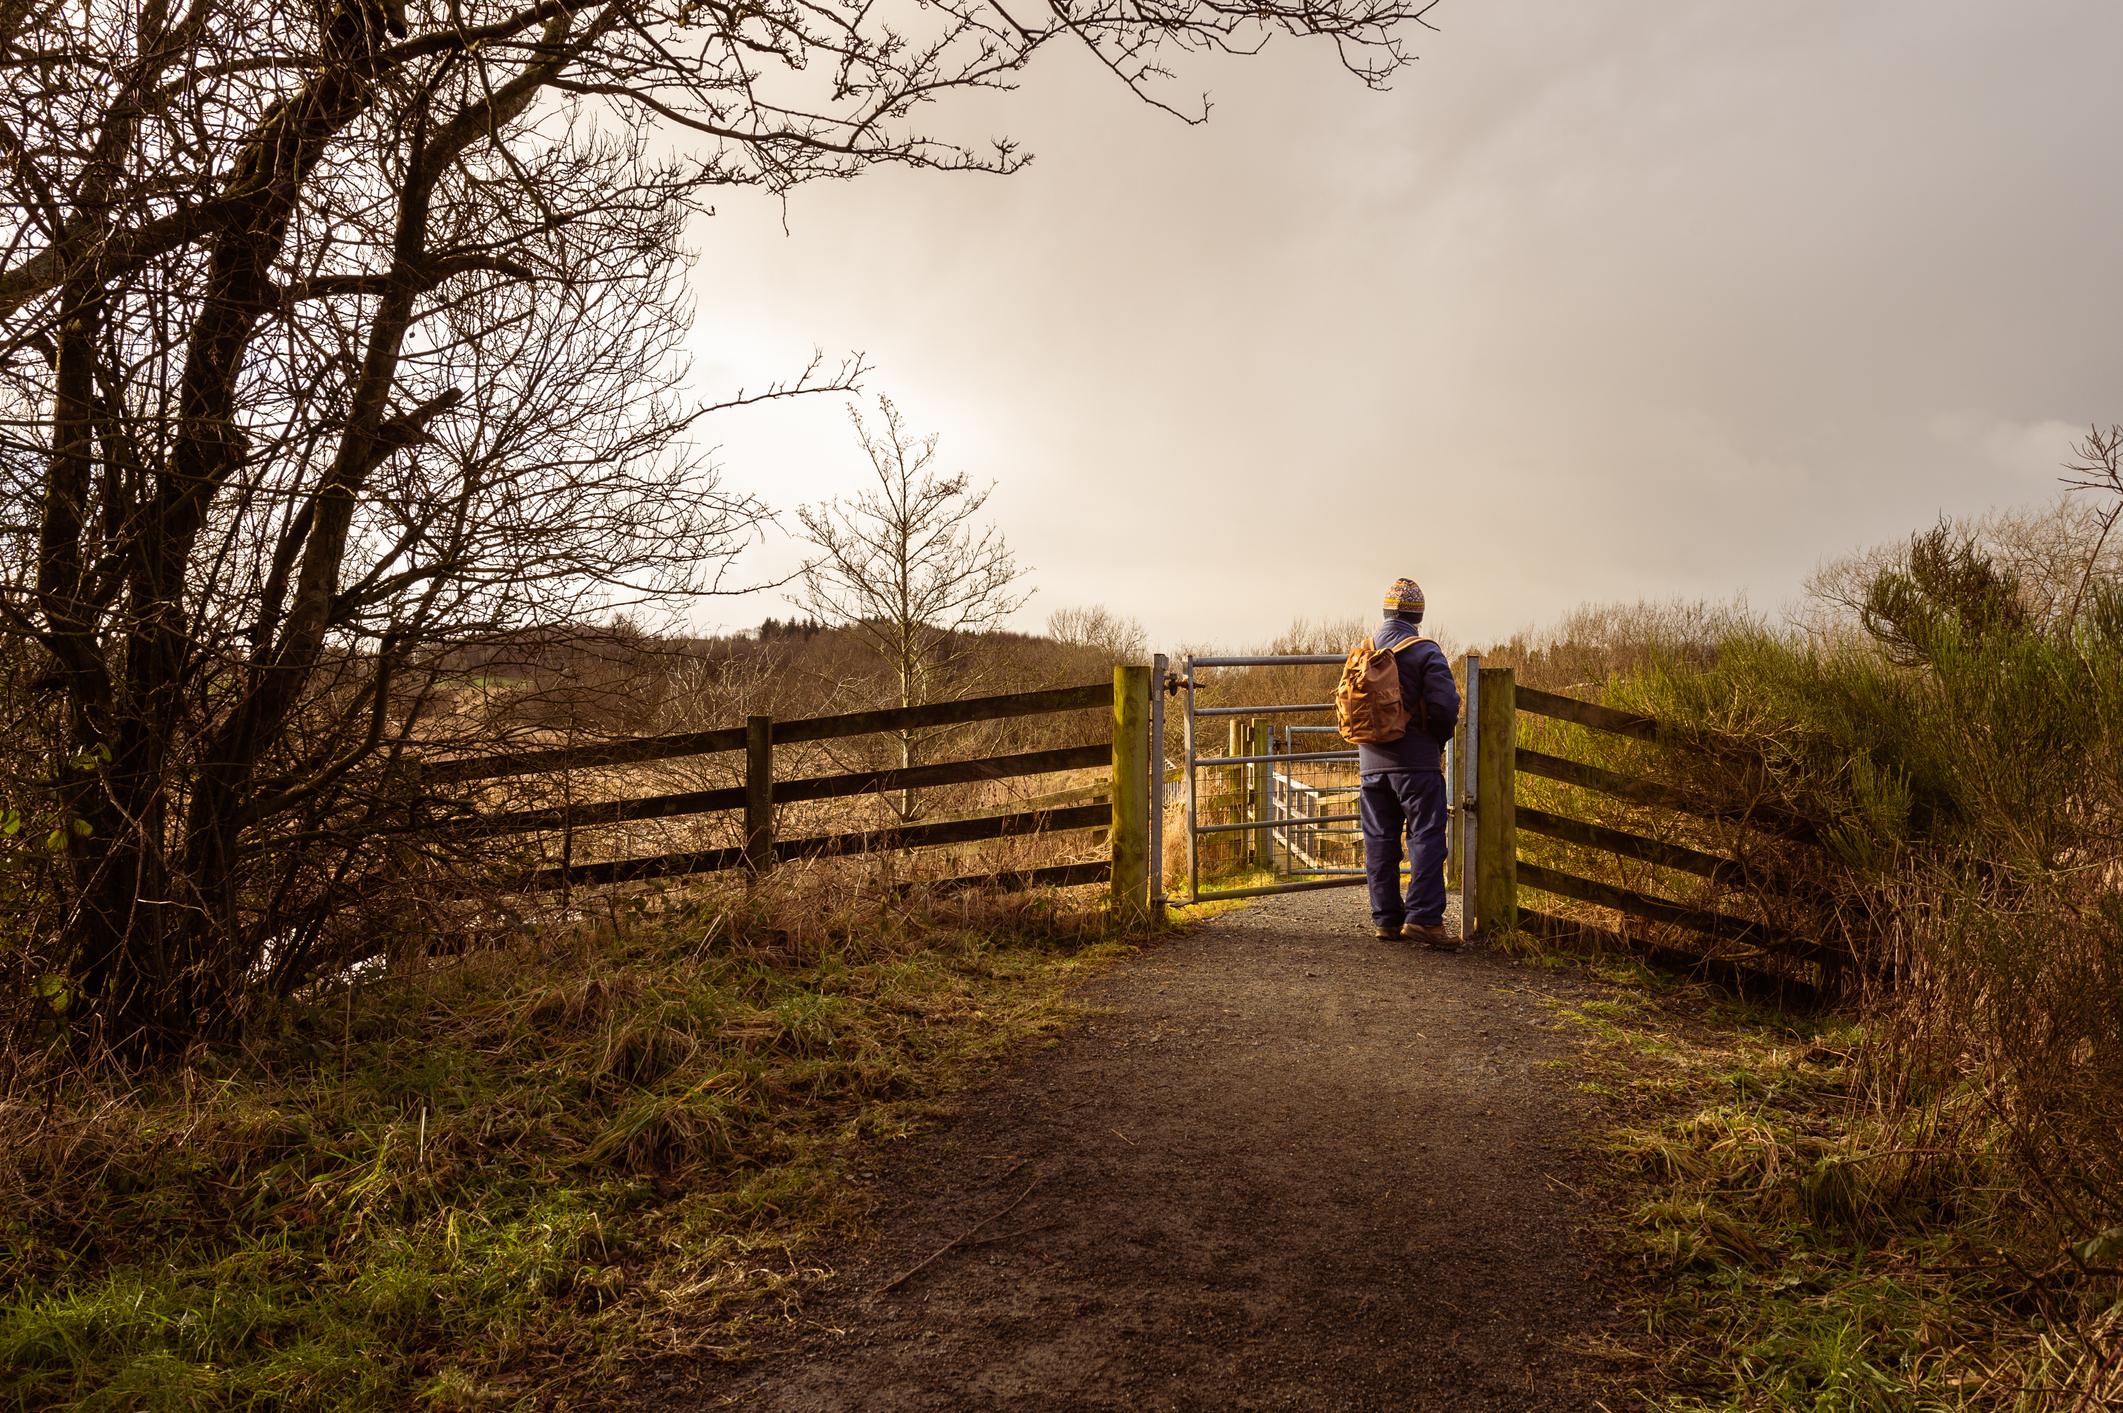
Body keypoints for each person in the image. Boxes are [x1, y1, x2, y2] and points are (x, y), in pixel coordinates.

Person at [1359, 578, 1461, 948]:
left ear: (1386, 612)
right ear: (1418, 615)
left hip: (1370, 762)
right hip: (1416, 763)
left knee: (1379, 840)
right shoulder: (1425, 652)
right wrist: (1435, 740)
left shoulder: (1364, 652)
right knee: (1426, 837)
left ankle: (1386, 919)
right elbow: (1445, 707)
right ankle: (1424, 919)